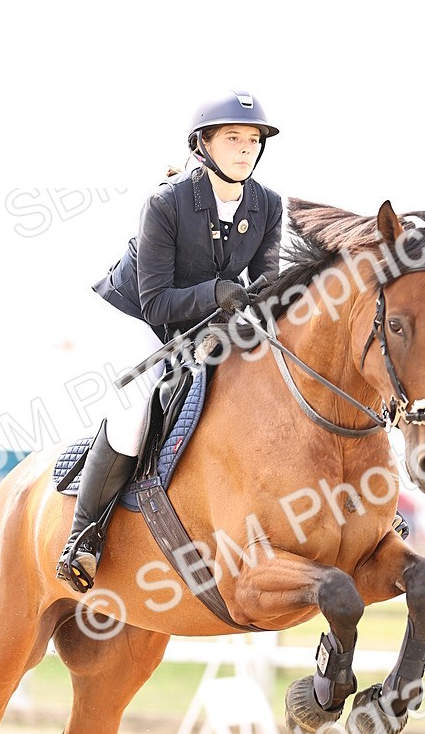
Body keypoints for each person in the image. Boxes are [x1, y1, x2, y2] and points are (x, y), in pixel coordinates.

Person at [56, 90, 283, 592]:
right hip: (132, 313)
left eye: (253, 140)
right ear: (204, 144)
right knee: (137, 410)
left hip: (204, 318)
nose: (246, 149)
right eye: (233, 139)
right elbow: (157, 303)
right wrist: (220, 293)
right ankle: (84, 537)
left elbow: (266, 285)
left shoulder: (267, 204)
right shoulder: (166, 202)